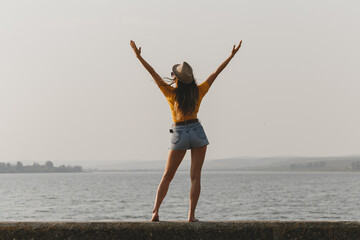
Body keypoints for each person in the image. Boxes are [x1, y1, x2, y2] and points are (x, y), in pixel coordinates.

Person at [130, 40, 242, 222]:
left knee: (167, 175)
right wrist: (231, 56)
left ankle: (155, 212)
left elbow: (152, 73)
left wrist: (139, 57)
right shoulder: (199, 91)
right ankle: (191, 216)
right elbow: (216, 73)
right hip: (197, 131)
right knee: (195, 176)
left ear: (176, 78)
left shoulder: (170, 93)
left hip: (179, 133)